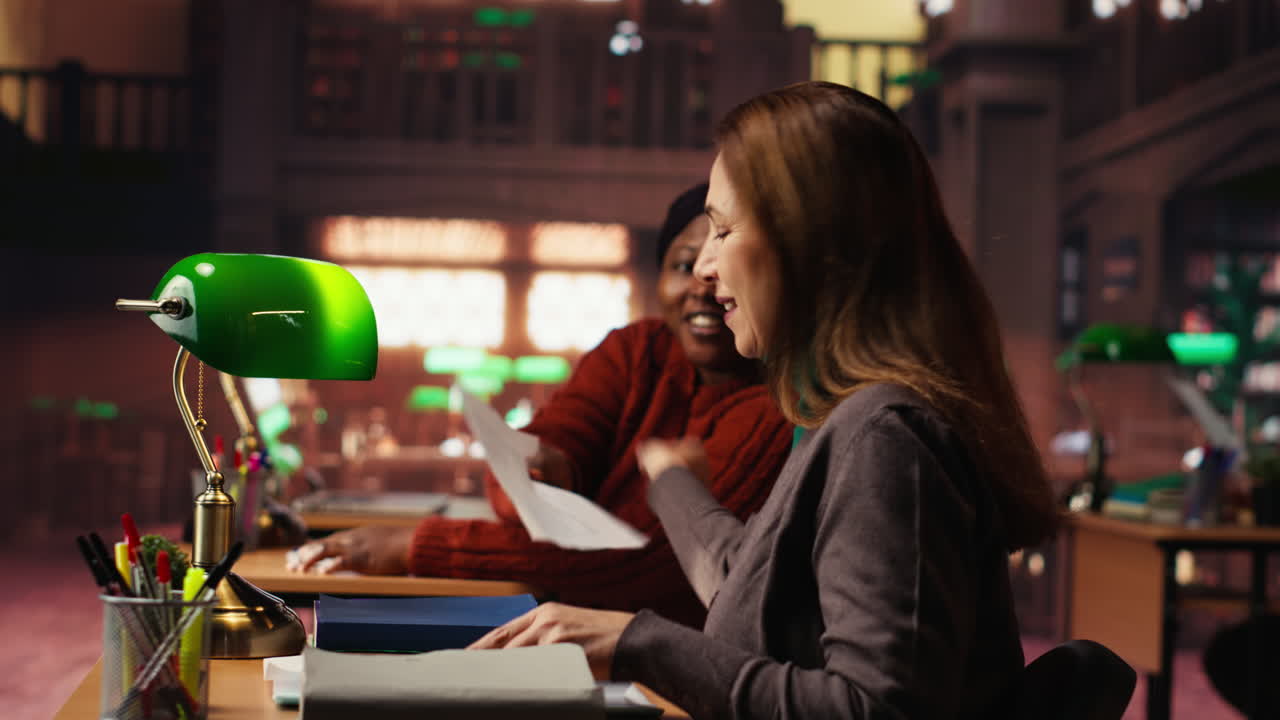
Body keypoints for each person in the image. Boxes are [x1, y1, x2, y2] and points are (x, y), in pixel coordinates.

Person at [469, 81, 1061, 719]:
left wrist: (635, 643)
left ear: (811, 241)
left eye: (723, 231)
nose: (704, 268)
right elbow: (749, 585)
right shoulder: (846, 416)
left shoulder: (886, 436)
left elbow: (874, 710)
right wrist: (672, 483)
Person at [292, 183, 793, 628]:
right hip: (574, 630)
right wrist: (539, 471)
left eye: (723, 265)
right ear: (658, 275)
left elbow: (649, 560)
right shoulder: (638, 348)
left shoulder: (783, 398)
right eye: (684, 265)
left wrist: (414, 546)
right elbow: (562, 433)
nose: (704, 284)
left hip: (680, 667)